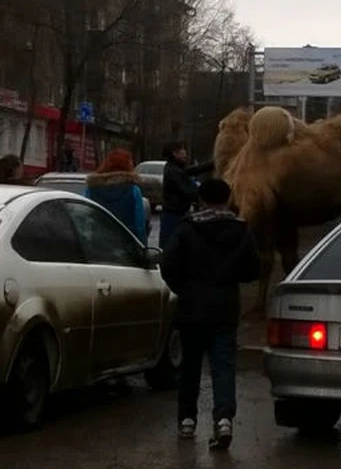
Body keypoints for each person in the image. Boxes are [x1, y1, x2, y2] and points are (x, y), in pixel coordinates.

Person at [160, 178, 260, 450]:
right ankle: (224, 418)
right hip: (225, 307)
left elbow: (167, 263)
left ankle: (187, 420)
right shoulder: (241, 230)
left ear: (201, 199)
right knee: (223, 365)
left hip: (191, 308)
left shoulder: (187, 228)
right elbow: (253, 269)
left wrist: (183, 288)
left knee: (190, 365)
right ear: (228, 199)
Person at [84, 149, 148, 243]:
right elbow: (139, 222)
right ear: (128, 165)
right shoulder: (133, 190)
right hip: (126, 241)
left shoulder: (92, 189)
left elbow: (85, 215)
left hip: (98, 241)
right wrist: (142, 244)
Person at [160, 141, 214, 248]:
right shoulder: (174, 171)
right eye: (182, 151)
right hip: (174, 215)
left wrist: (213, 163)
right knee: (172, 246)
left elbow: (193, 170)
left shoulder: (174, 168)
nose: (185, 153)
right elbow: (191, 191)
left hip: (174, 213)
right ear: (174, 153)